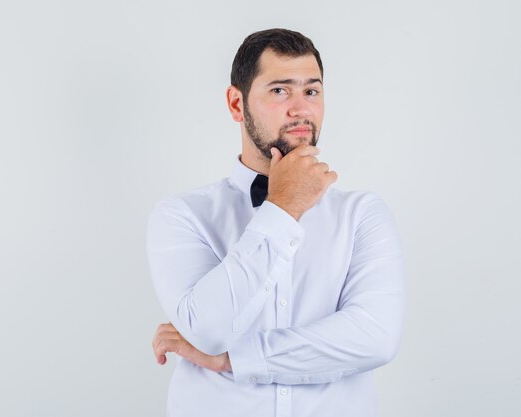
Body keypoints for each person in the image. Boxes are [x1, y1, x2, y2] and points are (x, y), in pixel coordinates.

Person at [146, 28, 406, 417]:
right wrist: (284, 207)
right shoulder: (182, 215)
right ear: (237, 104)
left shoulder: (363, 214)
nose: (300, 108)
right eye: (280, 90)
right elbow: (209, 330)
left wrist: (233, 360)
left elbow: (375, 338)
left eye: (311, 91)